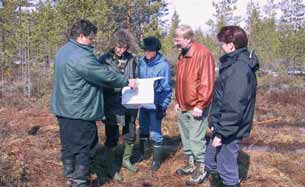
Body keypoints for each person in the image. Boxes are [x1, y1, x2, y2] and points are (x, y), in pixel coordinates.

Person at [51, 20, 136, 187]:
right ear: (81, 36)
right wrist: (126, 82)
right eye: (91, 38)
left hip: (64, 109)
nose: (92, 41)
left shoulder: (64, 50)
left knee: (68, 146)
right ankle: (80, 182)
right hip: (79, 111)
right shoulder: (81, 56)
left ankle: (70, 178)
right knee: (86, 148)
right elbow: (105, 76)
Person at [205, 26, 259, 187]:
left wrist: (221, 133)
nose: (221, 46)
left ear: (231, 45)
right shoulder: (233, 63)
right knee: (212, 161)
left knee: (227, 169)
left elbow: (234, 106)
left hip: (230, 129)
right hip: (224, 126)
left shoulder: (238, 69)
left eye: (223, 43)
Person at [174, 25, 215, 185]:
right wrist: (178, 100)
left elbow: (207, 82)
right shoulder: (182, 55)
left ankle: (201, 168)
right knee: (186, 138)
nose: (175, 42)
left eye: (178, 40)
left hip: (196, 106)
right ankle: (191, 165)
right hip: (183, 105)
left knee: (197, 139)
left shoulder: (203, 53)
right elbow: (181, 81)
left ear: (188, 39)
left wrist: (201, 104)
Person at [97, 29, 138, 180]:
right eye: (119, 47)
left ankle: (126, 160)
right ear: (113, 44)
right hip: (111, 103)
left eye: (125, 47)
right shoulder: (104, 59)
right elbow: (101, 81)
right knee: (112, 135)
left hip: (130, 102)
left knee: (130, 132)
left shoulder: (132, 59)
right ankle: (111, 166)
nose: (122, 50)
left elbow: (135, 76)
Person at [138, 36, 172, 171]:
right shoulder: (141, 62)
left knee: (156, 132)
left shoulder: (163, 65)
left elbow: (167, 88)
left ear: (156, 50)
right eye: (145, 50)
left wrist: (162, 106)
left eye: (150, 50)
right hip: (142, 102)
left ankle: (156, 160)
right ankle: (144, 154)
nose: (147, 53)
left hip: (156, 104)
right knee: (143, 129)